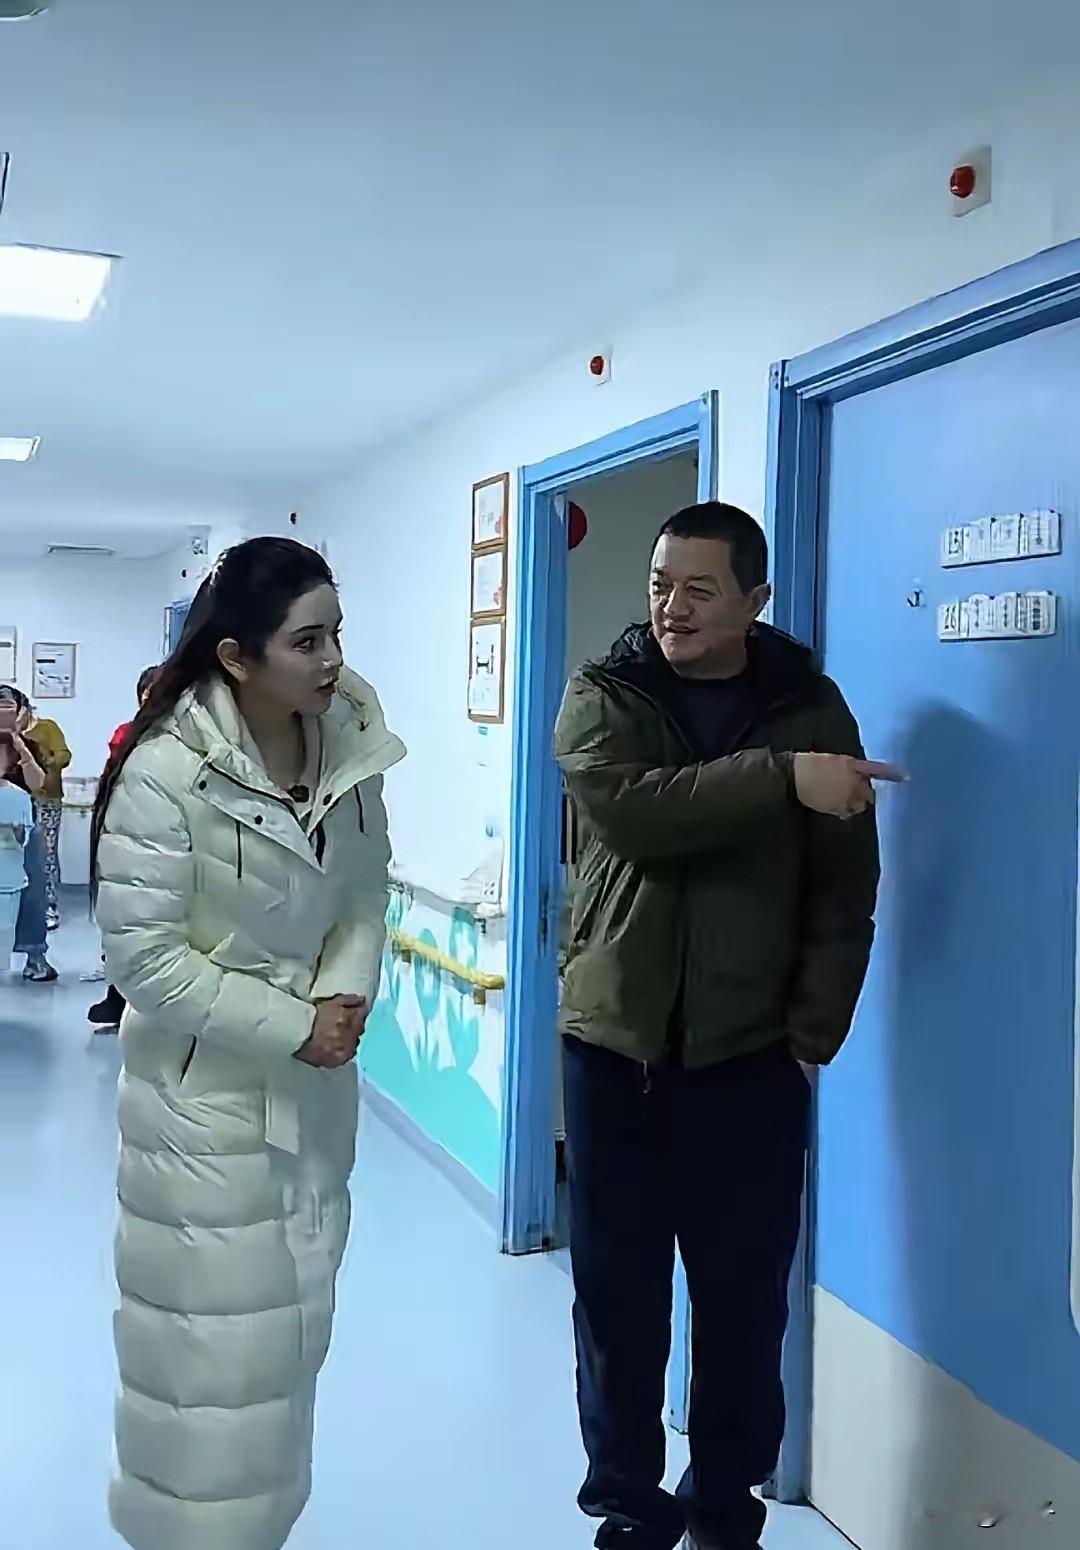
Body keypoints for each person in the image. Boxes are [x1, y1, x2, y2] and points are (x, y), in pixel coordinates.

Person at [555, 502, 894, 1550]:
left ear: (755, 600)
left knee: (744, 1308)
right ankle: (628, 1506)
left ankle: (723, 1507)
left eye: (700, 589)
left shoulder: (811, 708)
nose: (672, 607)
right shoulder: (605, 693)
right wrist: (785, 779)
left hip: (749, 1061)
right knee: (618, 1304)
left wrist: (810, 1033)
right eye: (660, 583)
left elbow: (845, 887)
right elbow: (638, 813)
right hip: (613, 1052)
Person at [91, 537, 405, 1550]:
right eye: (307, 642)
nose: (332, 660)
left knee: (285, 1351)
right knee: (205, 1367)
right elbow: (143, 958)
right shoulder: (164, 770)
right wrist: (295, 1024)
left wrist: (344, 995)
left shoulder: (347, 748)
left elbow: (364, 891)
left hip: (311, 1102)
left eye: (336, 634)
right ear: (237, 655)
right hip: (200, 1109)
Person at [88, 664, 162, 1029]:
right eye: (148, 690)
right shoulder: (126, 734)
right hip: (129, 833)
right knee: (122, 918)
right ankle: (117, 996)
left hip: (171, 839)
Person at [0, 685, 58, 982]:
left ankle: (35, 955)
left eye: (9, 708)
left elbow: (37, 785)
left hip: (22, 825)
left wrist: (18, 743)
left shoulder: (28, 745)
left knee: (31, 890)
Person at [19, 695, 71, 930]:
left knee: (46, 853)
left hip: (46, 800)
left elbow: (64, 755)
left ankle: (49, 905)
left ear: (26, 709)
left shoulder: (47, 728)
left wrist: (42, 759)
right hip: (17, 799)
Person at [0, 734, 34, 969]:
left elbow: (24, 838)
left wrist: (16, 830)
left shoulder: (19, 797)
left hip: (8, 880)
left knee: (3, 932)